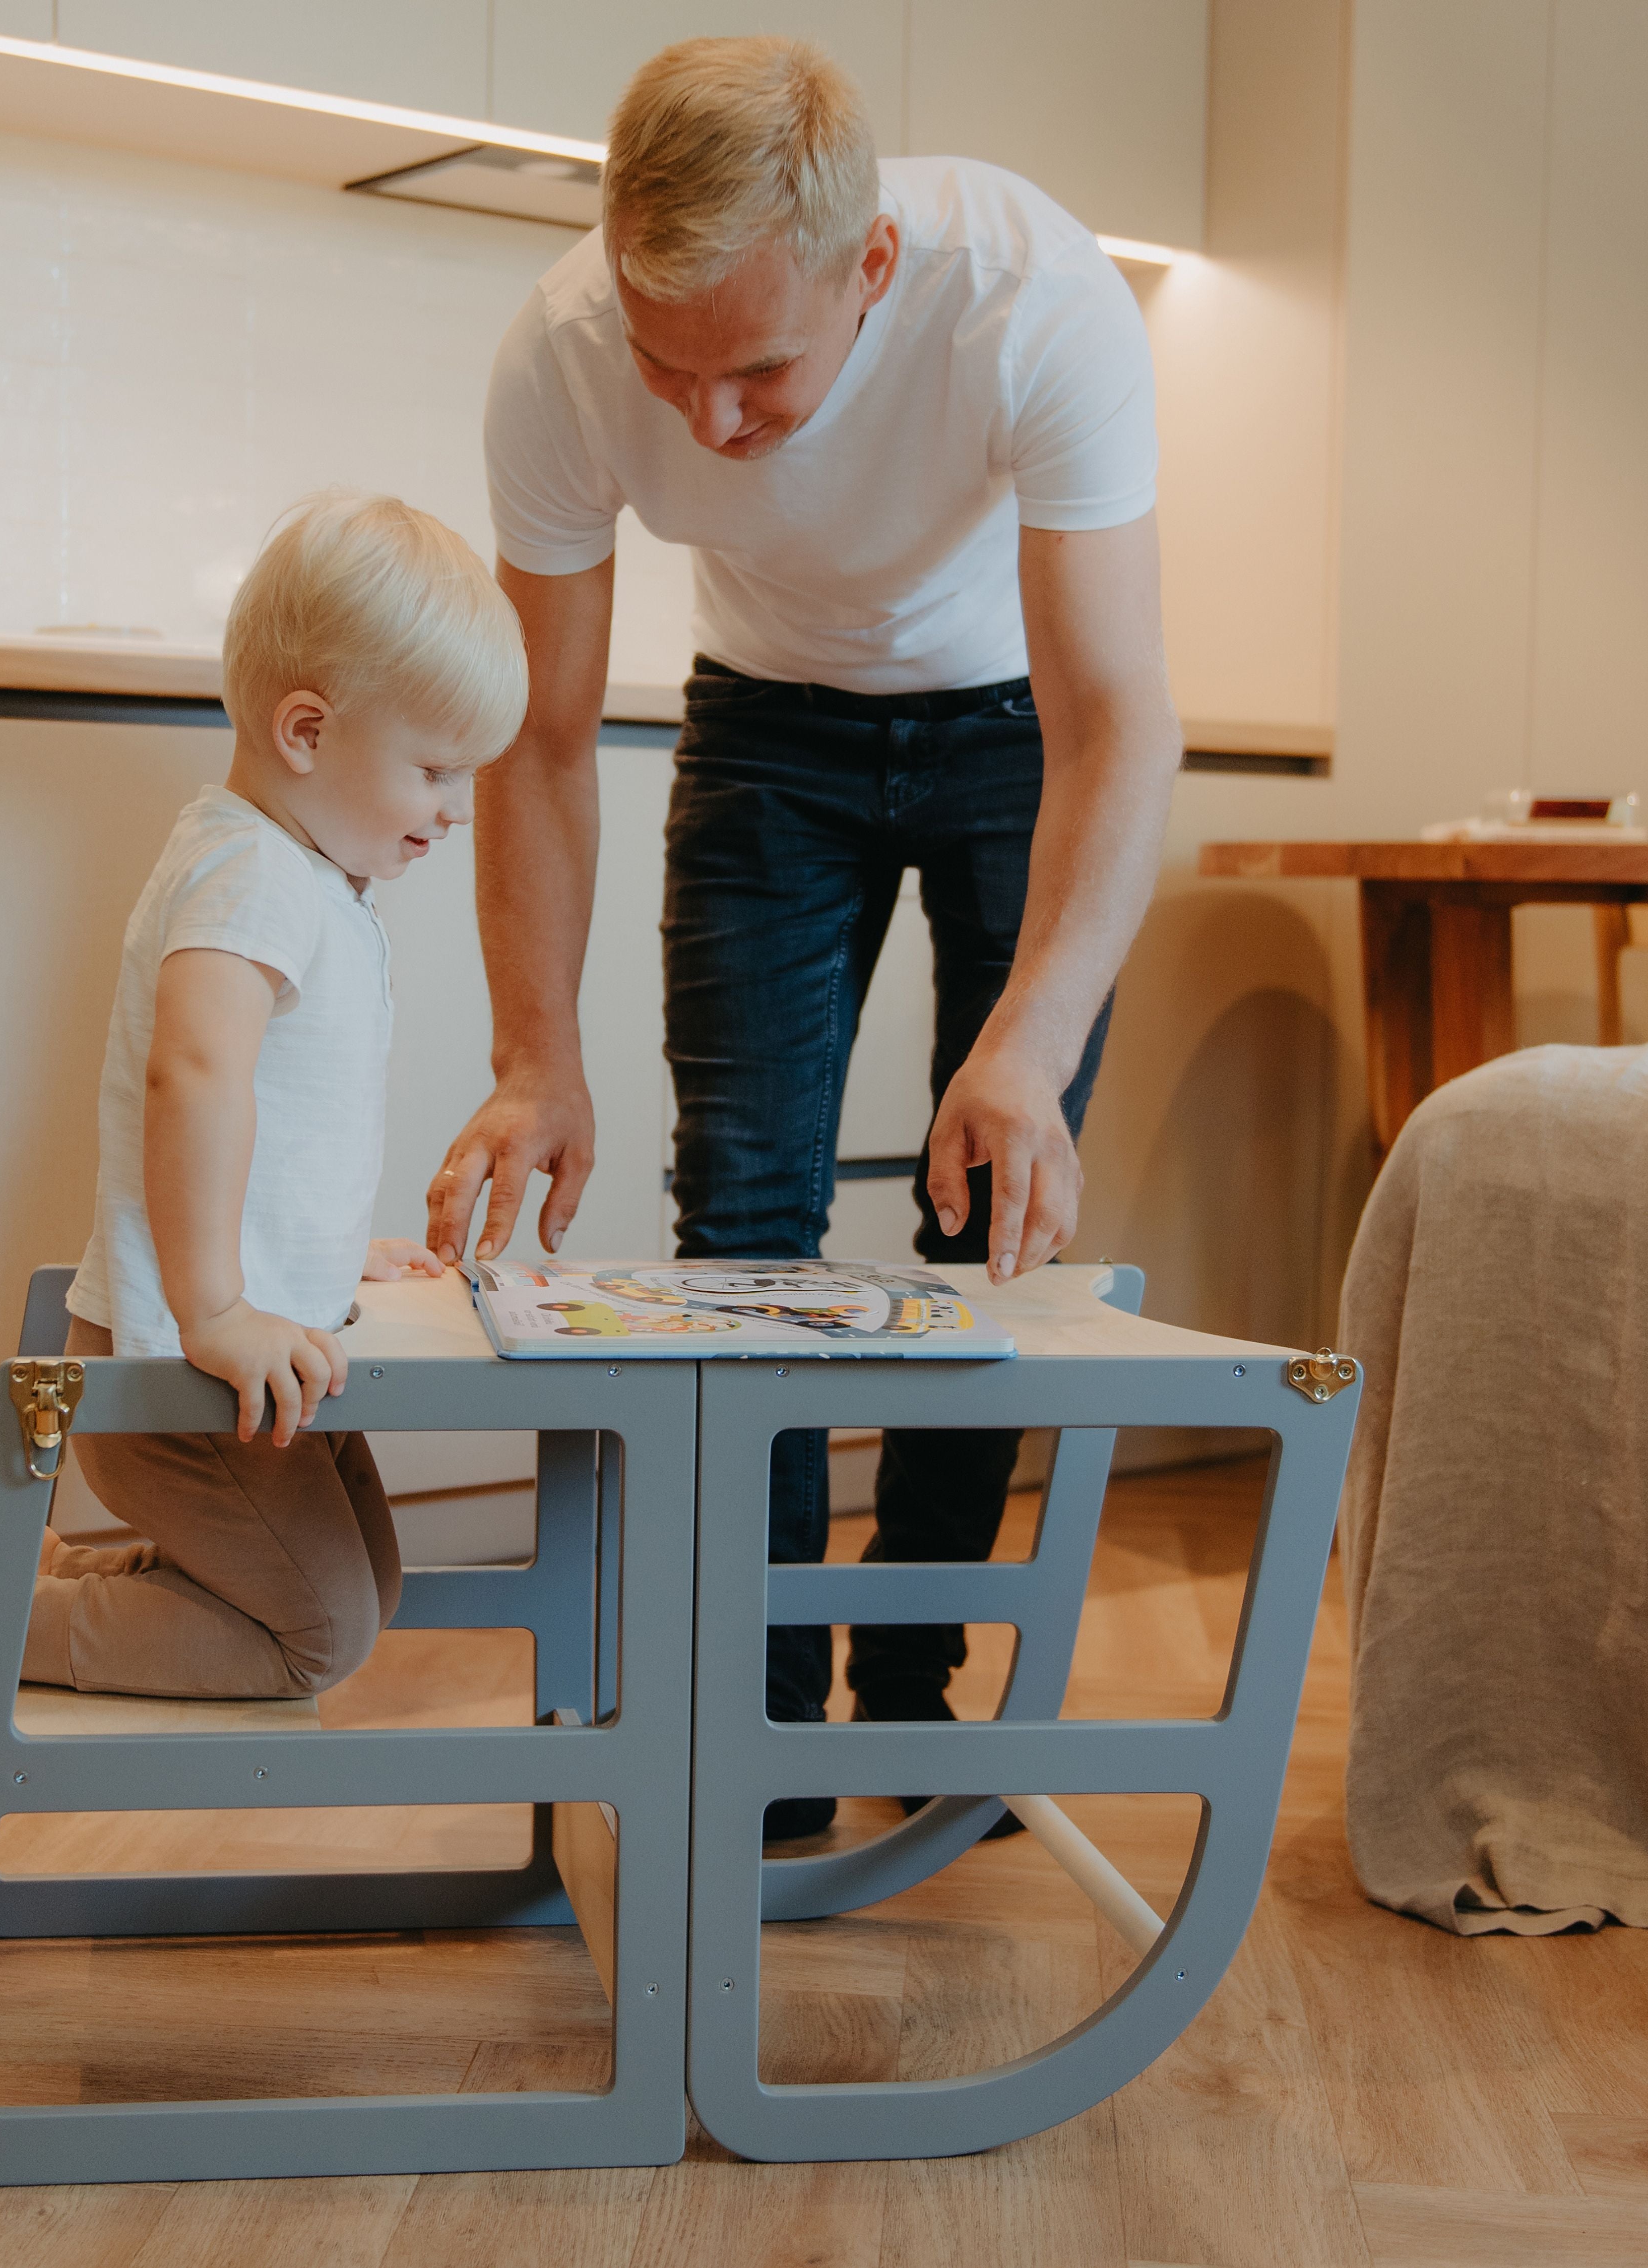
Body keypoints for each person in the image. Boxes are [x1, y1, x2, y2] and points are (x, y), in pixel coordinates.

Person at [426, 39, 1182, 1839]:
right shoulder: (560, 351)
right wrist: (536, 1051)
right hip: (765, 726)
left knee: (977, 1211)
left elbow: (1117, 717)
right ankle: (757, 1725)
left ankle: (907, 1704)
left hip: (1019, 732)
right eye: (667, 365)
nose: (711, 425)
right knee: (743, 1224)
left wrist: (1031, 1039)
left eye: (757, 370)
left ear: (872, 272)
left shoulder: (1035, 301)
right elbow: (539, 733)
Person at [0, 491, 528, 1708]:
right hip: (180, 1372)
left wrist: (319, 1255)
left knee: (368, 1582)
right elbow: (196, 1076)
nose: (454, 810)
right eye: (434, 770)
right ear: (308, 731)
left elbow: (281, 1118)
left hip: (227, 1359)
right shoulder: (251, 871)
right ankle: (8, 1627)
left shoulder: (303, 875)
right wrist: (215, 1305)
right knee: (319, 1636)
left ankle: (19, 1580)